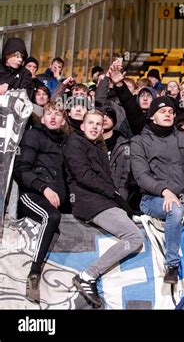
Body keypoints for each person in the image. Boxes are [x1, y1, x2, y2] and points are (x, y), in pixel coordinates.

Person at [64, 110, 144, 308]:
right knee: (134, 238)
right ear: (82, 126)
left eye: (98, 124)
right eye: (90, 123)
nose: (94, 127)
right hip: (90, 202)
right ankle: (88, 275)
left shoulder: (97, 147)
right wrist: (112, 193)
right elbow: (83, 175)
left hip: (104, 200)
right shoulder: (75, 142)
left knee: (137, 228)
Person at [131, 97, 184, 284]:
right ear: (152, 116)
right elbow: (141, 176)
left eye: (171, 111)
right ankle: (172, 265)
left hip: (181, 198)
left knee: (179, 207)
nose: (168, 114)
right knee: (175, 209)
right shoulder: (139, 141)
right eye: (162, 111)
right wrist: (164, 191)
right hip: (152, 199)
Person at [13, 103, 69, 303]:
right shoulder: (33, 136)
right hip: (32, 195)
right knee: (51, 216)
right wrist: (43, 187)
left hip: (56, 198)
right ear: (43, 118)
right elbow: (21, 170)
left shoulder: (66, 142)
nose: (53, 117)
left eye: (58, 114)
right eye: (49, 113)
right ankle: (34, 274)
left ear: (63, 120)